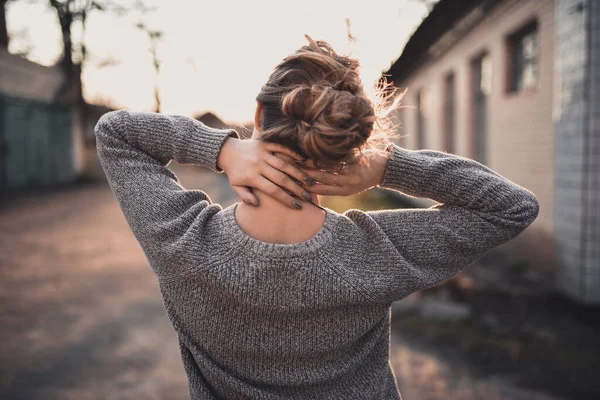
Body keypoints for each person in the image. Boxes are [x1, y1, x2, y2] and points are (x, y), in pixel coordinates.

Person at [95, 35, 539, 400]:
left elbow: (115, 133)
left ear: (256, 116)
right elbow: (511, 206)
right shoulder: (376, 253)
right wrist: (388, 166)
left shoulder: (183, 243)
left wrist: (221, 149)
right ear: (349, 144)